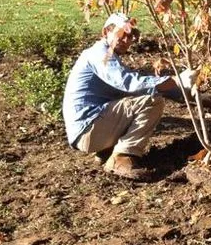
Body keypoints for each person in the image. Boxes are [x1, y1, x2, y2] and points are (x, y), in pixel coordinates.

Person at [63, 12, 191, 182]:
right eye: (122, 35)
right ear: (105, 33)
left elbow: (136, 89)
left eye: (131, 37)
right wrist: (175, 80)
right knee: (151, 102)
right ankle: (120, 158)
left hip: (89, 130)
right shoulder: (100, 54)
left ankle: (106, 151)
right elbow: (129, 83)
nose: (127, 41)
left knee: (142, 97)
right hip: (88, 129)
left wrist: (189, 95)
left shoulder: (108, 57)